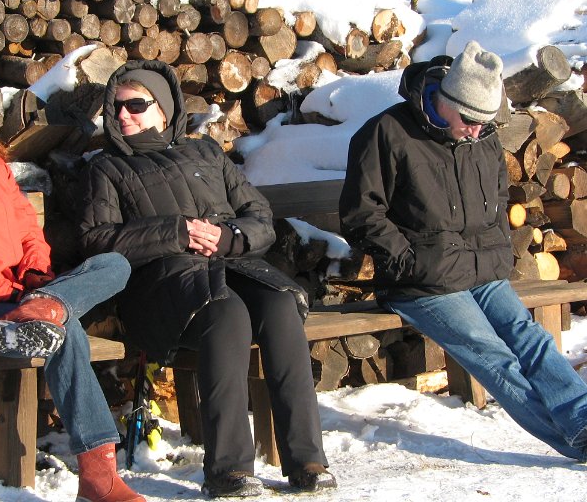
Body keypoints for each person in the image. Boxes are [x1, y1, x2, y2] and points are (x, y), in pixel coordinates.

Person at [77, 59, 336, 498]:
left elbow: (259, 216)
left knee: (280, 306)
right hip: (161, 283)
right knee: (226, 315)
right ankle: (228, 470)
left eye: (135, 105)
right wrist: (175, 232)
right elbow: (96, 239)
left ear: (163, 108)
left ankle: (307, 460)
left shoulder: (206, 153)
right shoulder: (107, 169)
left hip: (231, 265)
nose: (122, 115)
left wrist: (228, 237)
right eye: (115, 107)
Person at [0, 60, 145, 502]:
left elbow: (27, 232)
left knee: (115, 264)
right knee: (62, 327)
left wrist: (36, 276)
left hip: (15, 300)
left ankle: (47, 305)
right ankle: (98, 478)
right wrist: (11, 292)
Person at [339, 40, 587, 462]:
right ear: (446, 100)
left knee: (532, 340)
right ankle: (575, 444)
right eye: (469, 120)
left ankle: (582, 421)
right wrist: (410, 262)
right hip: (425, 282)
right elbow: (361, 214)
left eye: (484, 123)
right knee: (494, 357)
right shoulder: (388, 132)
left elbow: (497, 201)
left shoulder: (483, 136)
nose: (475, 131)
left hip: (481, 270)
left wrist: (497, 251)